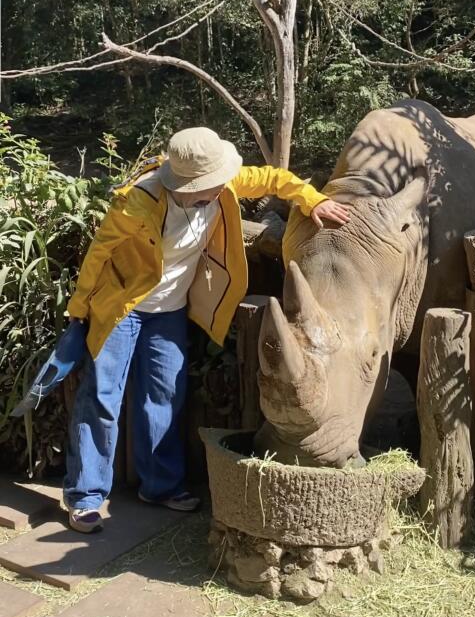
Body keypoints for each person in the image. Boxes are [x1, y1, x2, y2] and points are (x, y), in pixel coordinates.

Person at [64, 127, 350, 532]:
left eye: (219, 184)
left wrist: (313, 199)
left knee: (163, 397)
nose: (218, 191)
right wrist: (79, 309)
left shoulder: (222, 181)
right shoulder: (137, 202)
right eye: (206, 188)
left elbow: (275, 179)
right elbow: (98, 255)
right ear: (182, 183)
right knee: (102, 399)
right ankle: (86, 496)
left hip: (170, 311)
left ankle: (159, 486)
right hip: (121, 310)